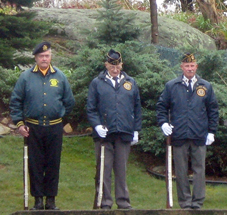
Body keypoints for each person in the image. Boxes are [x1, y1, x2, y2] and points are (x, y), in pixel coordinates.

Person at [10, 41, 75, 210]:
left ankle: (51, 200)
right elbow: (16, 101)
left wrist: (59, 114)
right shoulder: (25, 77)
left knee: (53, 164)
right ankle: (38, 200)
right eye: (41, 56)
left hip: (54, 128)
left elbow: (69, 101)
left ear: (51, 57)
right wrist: (19, 123)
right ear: (36, 58)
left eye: (47, 56)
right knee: (35, 164)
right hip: (33, 128)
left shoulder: (60, 77)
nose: (44, 59)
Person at [156, 53, 219, 209]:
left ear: (196, 67)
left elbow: (213, 110)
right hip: (179, 135)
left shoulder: (205, 86)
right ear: (182, 67)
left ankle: (197, 202)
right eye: (187, 66)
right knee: (181, 171)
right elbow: (161, 106)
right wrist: (163, 123)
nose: (190, 69)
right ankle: (184, 202)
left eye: (192, 66)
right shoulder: (172, 86)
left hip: (199, 134)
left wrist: (212, 131)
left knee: (199, 170)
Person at [86, 49, 142, 210]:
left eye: (117, 67)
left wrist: (136, 130)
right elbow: (91, 108)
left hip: (124, 132)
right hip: (104, 134)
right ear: (106, 65)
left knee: (121, 169)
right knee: (103, 169)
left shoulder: (130, 82)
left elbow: (137, 107)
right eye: (112, 67)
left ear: (121, 65)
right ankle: (104, 202)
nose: (115, 70)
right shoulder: (97, 82)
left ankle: (123, 202)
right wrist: (97, 125)